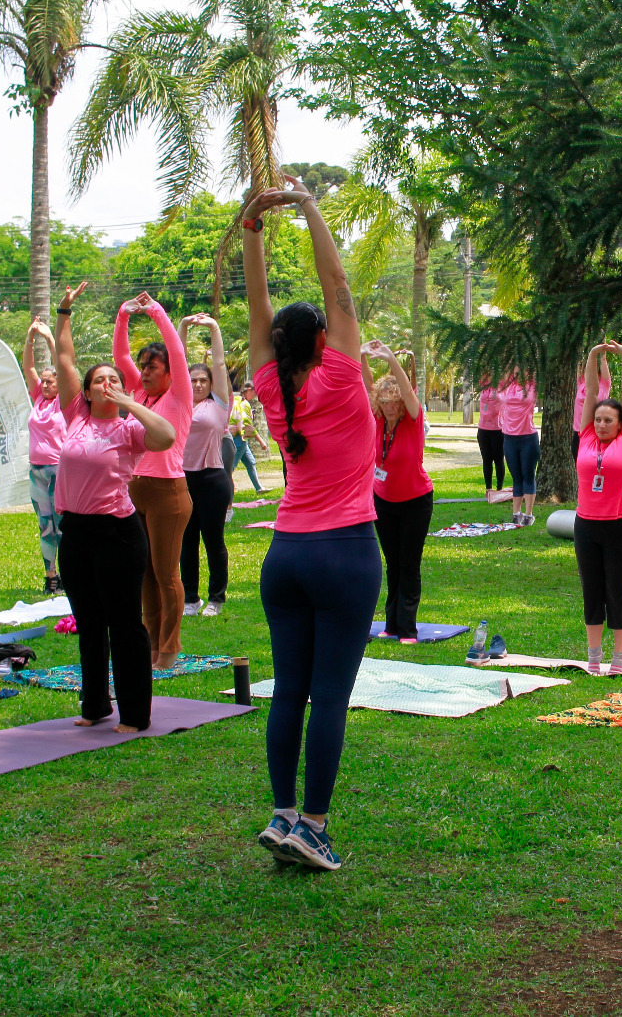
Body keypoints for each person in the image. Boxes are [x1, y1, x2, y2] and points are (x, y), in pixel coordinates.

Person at [245, 175, 381, 871]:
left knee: (289, 692)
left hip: (285, 556)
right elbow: (339, 284)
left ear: (276, 343)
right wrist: (309, 208)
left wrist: (252, 230)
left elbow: (258, 304)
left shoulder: (270, 382)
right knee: (329, 696)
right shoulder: (340, 374)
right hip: (346, 553)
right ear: (325, 336)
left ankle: (282, 812)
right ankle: (316, 827)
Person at [52, 297, 176, 733]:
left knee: (125, 625)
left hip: (118, 534)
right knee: (89, 623)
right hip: (77, 533)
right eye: (98, 380)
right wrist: (64, 313)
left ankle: (135, 714)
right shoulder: (75, 418)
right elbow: (64, 358)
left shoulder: (129, 429)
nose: (105, 383)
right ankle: (95, 706)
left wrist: (131, 402)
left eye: (113, 379)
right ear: (86, 392)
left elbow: (166, 436)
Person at [114, 293, 194, 669]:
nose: (144, 372)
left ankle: (170, 647)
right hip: (136, 491)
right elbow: (121, 360)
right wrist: (122, 316)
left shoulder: (179, 395)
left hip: (167, 493)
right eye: (143, 366)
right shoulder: (139, 394)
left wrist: (157, 312)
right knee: (143, 573)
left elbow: (177, 353)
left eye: (152, 366)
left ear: (168, 372)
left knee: (166, 573)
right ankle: (150, 646)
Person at [575, 340, 622, 675]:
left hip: (620, 526)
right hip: (586, 525)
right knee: (592, 590)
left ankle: (618, 657)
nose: (601, 424)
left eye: (607, 420)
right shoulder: (586, 435)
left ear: (619, 424)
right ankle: (594, 655)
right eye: (598, 419)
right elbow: (587, 394)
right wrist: (592, 356)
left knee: (617, 589)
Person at [363, 339, 433, 644]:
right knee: (392, 563)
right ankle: (391, 623)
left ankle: (408, 628)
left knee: (409, 563)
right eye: (385, 402)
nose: (391, 407)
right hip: (383, 501)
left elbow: (407, 389)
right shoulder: (378, 421)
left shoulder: (413, 421)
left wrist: (391, 359)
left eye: (395, 402)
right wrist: (361, 355)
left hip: (416, 501)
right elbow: (365, 385)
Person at [179, 313, 233, 617]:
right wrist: (184, 327)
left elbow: (220, 365)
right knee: (187, 542)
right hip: (183, 478)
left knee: (213, 541)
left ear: (210, 384)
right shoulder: (179, 403)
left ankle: (216, 598)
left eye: (203, 380)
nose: (198, 384)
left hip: (213, 479)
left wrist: (214, 327)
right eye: (193, 380)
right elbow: (175, 360)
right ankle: (190, 598)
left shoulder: (219, 404)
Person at [23, 313, 68, 595]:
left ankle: (69, 573)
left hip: (59, 470)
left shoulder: (63, 399)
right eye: (44, 381)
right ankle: (50, 575)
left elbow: (64, 368)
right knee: (45, 526)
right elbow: (27, 366)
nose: (47, 384)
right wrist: (30, 338)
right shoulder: (38, 398)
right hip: (37, 470)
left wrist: (50, 339)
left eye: (51, 381)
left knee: (63, 526)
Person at [498, 372, 539, 525]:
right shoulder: (506, 383)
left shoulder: (533, 384)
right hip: (509, 438)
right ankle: (516, 513)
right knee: (516, 478)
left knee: (528, 476)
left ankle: (528, 515)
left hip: (528, 437)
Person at [572, 353, 611, 461]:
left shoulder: (604, 383)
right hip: (579, 433)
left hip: (596, 432)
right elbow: (580, 362)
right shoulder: (582, 382)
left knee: (596, 466)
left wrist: (601, 353)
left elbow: (603, 360)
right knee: (580, 468)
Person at [229, 381, 265, 493]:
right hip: (240, 438)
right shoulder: (244, 404)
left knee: (250, 462)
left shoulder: (235, 400)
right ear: (248, 389)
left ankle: (259, 488)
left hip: (236, 437)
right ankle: (226, 492)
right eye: (254, 392)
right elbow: (247, 426)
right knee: (230, 468)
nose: (255, 395)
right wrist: (261, 442)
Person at [475, 380, 506, 495]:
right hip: (483, 429)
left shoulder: (503, 386)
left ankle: (499, 488)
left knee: (498, 460)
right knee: (486, 461)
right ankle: (488, 489)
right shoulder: (484, 384)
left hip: (498, 429)